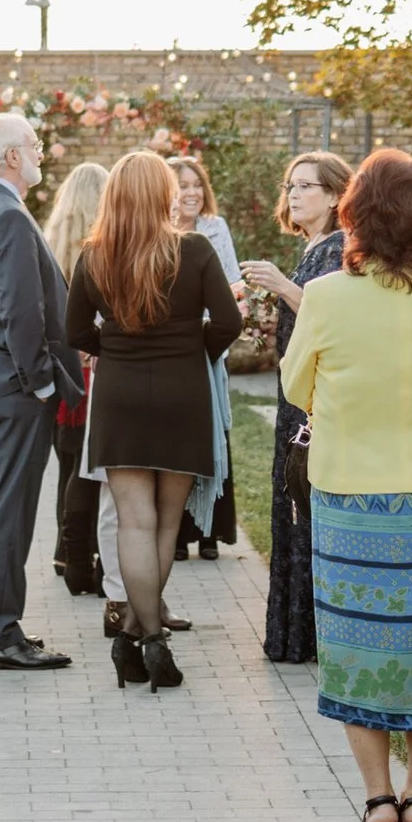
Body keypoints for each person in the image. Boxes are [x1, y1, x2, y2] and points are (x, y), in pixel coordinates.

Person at [280, 149, 412, 822]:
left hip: (352, 498)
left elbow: (296, 383)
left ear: (352, 215)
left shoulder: (328, 294)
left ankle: (377, 799)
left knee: (359, 648)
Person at [67, 152, 243, 691]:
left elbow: (75, 332)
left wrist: (113, 350)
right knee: (167, 524)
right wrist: (196, 348)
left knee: (132, 522)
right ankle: (149, 637)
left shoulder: (94, 255)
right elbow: (230, 321)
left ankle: (137, 638)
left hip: (119, 395)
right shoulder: (194, 249)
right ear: (163, 194)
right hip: (183, 394)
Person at [0, 112, 83, 672]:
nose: (41, 152)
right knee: (8, 512)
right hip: (13, 384)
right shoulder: (5, 215)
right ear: (9, 157)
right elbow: (20, 311)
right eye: (33, 144)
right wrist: (46, 382)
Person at [238, 149, 352, 665]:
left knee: (304, 504)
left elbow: (333, 314)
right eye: (290, 186)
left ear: (334, 195)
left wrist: (281, 287)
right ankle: (292, 635)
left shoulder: (340, 248)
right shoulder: (313, 247)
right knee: (289, 503)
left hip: (316, 401)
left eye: (306, 186)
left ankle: (309, 634)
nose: (294, 194)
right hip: (294, 394)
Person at [39, 162, 109, 598]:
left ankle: (65, 552)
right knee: (90, 470)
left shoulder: (48, 245)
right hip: (94, 369)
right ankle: (85, 555)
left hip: (60, 370)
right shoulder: (99, 250)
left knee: (68, 465)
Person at [169, 155, 240, 562]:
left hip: (211, 347)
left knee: (214, 437)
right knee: (179, 441)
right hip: (174, 351)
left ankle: (209, 531)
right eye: (182, 185)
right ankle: (176, 533)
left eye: (197, 184)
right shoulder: (157, 232)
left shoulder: (216, 228)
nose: (191, 192)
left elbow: (231, 284)